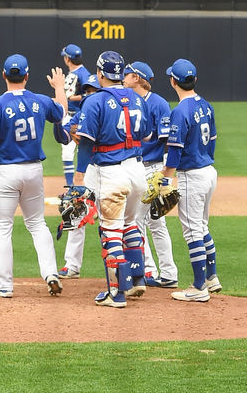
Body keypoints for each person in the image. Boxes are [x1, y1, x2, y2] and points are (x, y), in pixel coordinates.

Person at [0, 54, 69, 298]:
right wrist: (59, 87)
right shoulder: (41, 101)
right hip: (33, 171)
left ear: (4, 75)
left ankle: (4, 285)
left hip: (6, 172)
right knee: (37, 224)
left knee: (2, 227)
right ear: (27, 76)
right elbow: (62, 110)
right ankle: (51, 273)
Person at [72, 49, 147, 308]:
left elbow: (85, 144)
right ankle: (138, 278)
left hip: (111, 171)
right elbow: (146, 135)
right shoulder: (138, 98)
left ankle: (116, 293)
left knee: (110, 231)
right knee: (130, 224)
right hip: (137, 170)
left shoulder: (95, 101)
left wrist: (79, 177)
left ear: (100, 73)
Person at [161, 58, 221, 303]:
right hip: (208, 171)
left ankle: (198, 287)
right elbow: (214, 139)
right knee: (202, 226)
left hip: (192, 175)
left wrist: (166, 179)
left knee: (192, 231)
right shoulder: (206, 105)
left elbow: (174, 150)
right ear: (194, 80)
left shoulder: (180, 111)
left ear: (173, 81)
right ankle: (212, 278)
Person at [123, 60, 179, 289]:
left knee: (138, 220)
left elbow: (167, 141)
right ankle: (168, 273)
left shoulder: (159, 104)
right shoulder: (129, 101)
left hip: (152, 168)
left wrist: (163, 176)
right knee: (156, 222)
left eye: (126, 74)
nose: (123, 78)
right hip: (136, 167)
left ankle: (150, 270)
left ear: (137, 78)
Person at [57, 74, 100, 278]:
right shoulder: (81, 113)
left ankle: (136, 267)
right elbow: (63, 136)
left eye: (94, 90)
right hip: (90, 170)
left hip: (110, 170)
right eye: (87, 90)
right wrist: (59, 117)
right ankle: (72, 265)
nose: (89, 94)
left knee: (118, 220)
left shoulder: (107, 110)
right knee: (76, 212)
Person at [59, 43, 90, 189]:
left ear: (67, 59)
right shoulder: (75, 73)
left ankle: (81, 184)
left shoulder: (84, 74)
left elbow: (90, 95)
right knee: (66, 153)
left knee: (82, 150)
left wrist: (72, 98)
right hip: (68, 116)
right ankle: (70, 185)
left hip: (78, 117)